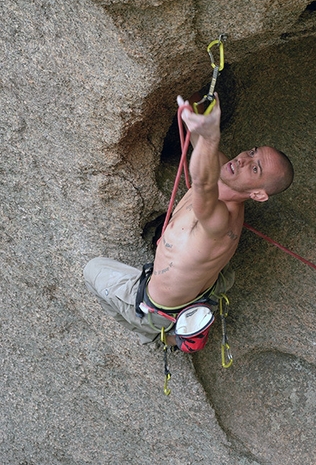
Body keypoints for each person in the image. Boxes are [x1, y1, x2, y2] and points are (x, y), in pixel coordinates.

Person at [84, 93, 293, 350]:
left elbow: (203, 184)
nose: (243, 160)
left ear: (258, 194)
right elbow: (198, 128)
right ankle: (197, 308)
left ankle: (162, 335)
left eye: (255, 168)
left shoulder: (221, 219)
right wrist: (195, 101)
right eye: (252, 152)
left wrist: (211, 139)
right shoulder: (224, 170)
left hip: (159, 304)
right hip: (199, 284)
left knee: (92, 270)